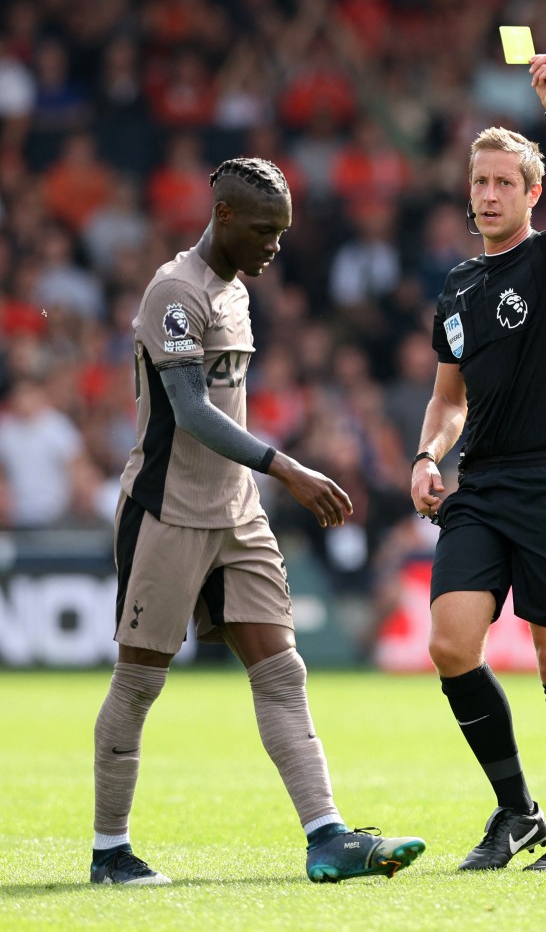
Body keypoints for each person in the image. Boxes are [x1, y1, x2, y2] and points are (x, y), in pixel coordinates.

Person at [91, 157, 425, 886]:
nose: (278, 245)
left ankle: (326, 836)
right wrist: (288, 468)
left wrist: (263, 479)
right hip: (168, 512)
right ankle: (109, 850)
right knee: (139, 683)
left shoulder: (237, 290)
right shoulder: (174, 293)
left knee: (281, 673)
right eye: (268, 231)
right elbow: (190, 412)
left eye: (286, 231)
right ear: (227, 219)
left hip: (236, 512)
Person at [410, 53, 546, 872]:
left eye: (504, 182)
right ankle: (516, 812)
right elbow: (448, 397)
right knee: (451, 645)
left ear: (533, 194)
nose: (488, 194)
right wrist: (429, 453)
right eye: (480, 181)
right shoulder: (457, 287)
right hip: (483, 487)